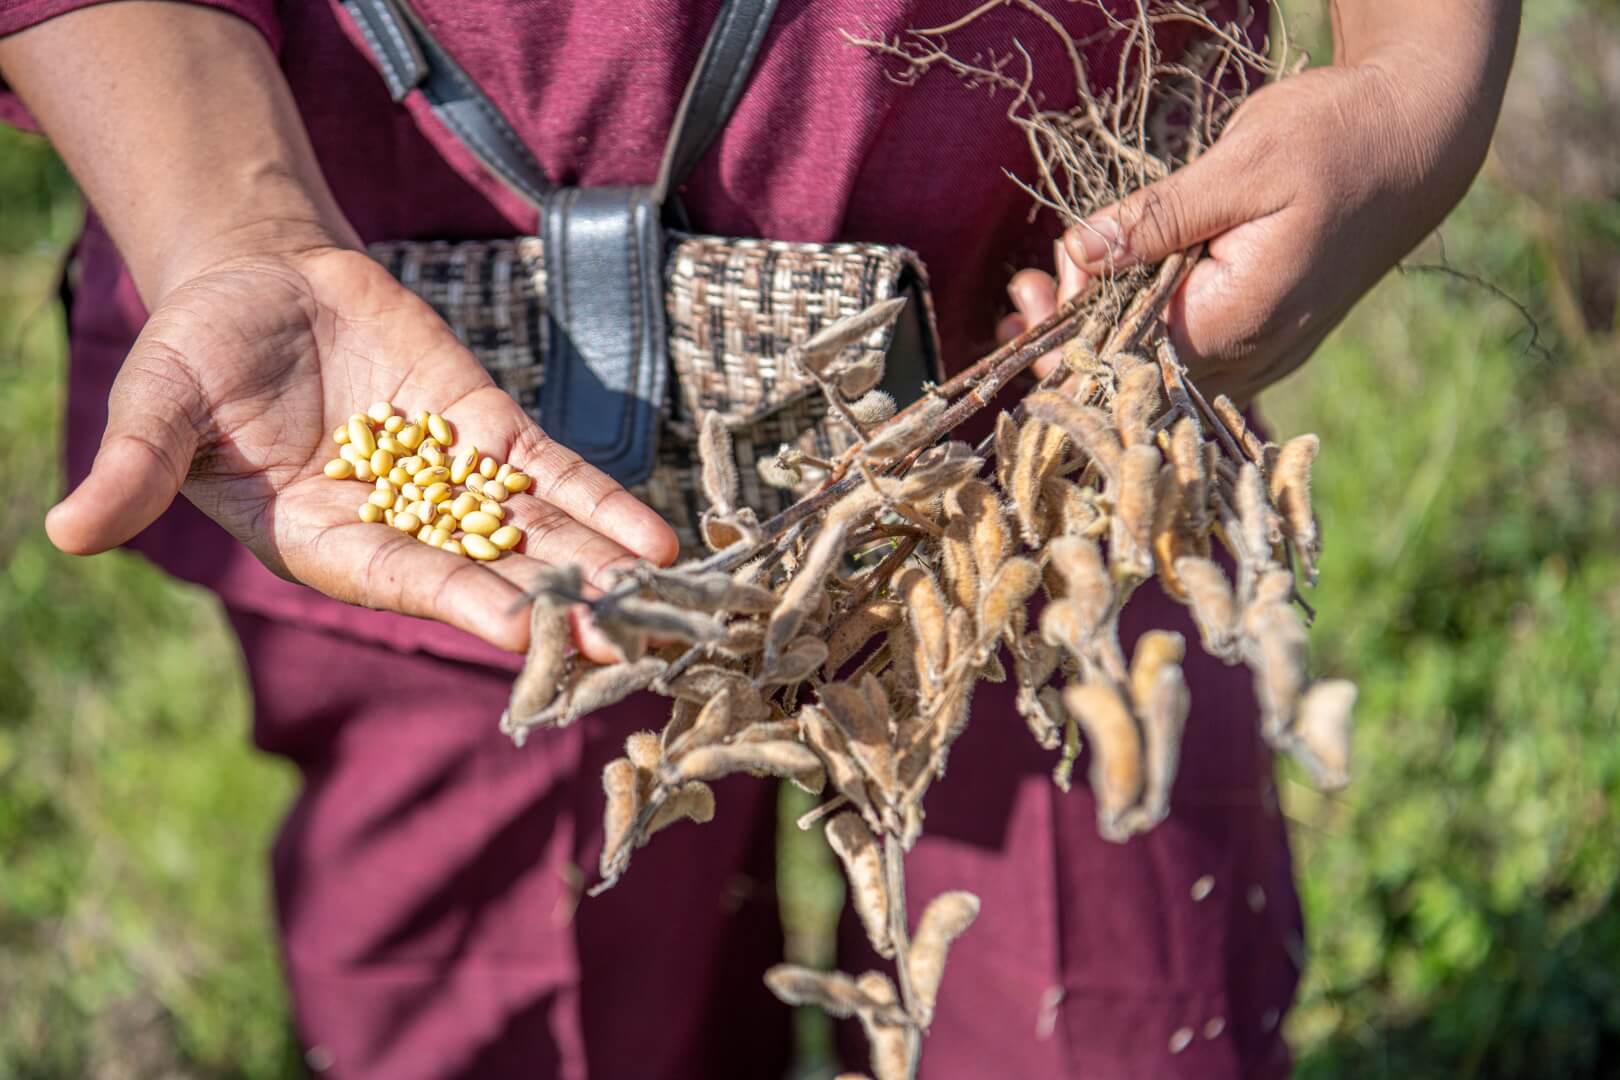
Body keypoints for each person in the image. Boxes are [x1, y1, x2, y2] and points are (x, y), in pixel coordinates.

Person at [0, 1, 1518, 1076]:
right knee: (519, 1011)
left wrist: (1413, 83)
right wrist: (237, 226)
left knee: (1100, 1009)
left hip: (1041, 387)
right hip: (434, 407)